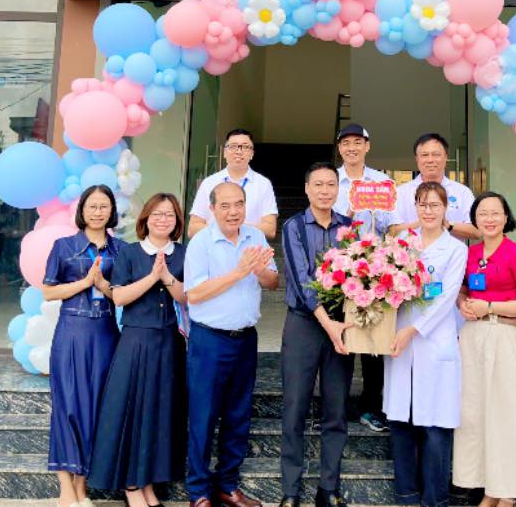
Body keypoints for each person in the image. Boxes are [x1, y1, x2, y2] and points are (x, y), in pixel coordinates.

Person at [88, 193, 189, 507]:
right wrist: (153, 277)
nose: (163, 219)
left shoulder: (183, 254)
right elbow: (119, 297)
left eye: (169, 214)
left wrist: (167, 277)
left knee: (160, 413)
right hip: (136, 342)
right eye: (157, 214)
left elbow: (187, 298)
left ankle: (149, 485)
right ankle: (132, 486)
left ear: (177, 221)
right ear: (146, 218)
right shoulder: (130, 253)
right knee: (134, 412)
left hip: (170, 343)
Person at [183, 181, 280, 507]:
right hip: (210, 340)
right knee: (203, 417)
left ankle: (228, 485)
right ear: (212, 209)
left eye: (239, 204)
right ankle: (198, 491)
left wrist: (260, 270)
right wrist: (239, 272)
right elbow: (194, 294)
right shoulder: (201, 242)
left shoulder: (255, 237)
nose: (233, 211)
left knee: (238, 415)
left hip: (245, 339)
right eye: (225, 205)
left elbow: (273, 281)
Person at [383, 181, 468, 507]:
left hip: (434, 340)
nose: (428, 211)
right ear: (415, 207)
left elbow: (446, 298)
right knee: (400, 421)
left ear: (446, 209)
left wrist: (413, 330)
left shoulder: (456, 249)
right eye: (422, 204)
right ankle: (406, 495)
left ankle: (435, 499)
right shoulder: (402, 244)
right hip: (399, 340)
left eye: (435, 205)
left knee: (435, 426)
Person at [453, 192, 516, 507]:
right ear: (474, 219)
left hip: (503, 335)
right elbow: (463, 290)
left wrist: (489, 306)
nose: (489, 219)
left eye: (495, 213)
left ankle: (508, 494)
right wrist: (463, 303)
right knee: (475, 415)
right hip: (473, 338)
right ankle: (488, 489)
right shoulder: (471, 253)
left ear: (506, 218)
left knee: (507, 414)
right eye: (483, 213)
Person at [279, 162, 356, 507]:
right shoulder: (293, 226)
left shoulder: (350, 228)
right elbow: (301, 280)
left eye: (331, 184)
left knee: (336, 409)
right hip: (304, 325)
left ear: (338, 189)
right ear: (307, 189)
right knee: (295, 406)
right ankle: (290, 491)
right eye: (318, 185)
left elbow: (359, 275)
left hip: (342, 325)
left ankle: (329, 489)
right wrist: (329, 325)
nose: (325, 191)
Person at [42, 185, 122, 507]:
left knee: (96, 409)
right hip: (72, 332)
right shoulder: (64, 246)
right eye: (92, 206)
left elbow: (124, 294)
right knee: (68, 407)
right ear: (82, 210)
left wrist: (104, 285)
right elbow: (49, 292)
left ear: (112, 211)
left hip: (105, 333)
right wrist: (86, 283)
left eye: (104, 206)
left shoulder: (121, 250)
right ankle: (66, 488)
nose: (98, 212)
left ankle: (82, 486)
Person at [332, 123, 392, 433]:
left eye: (358, 142)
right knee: (340, 337)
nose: (352, 148)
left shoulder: (382, 182)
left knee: (372, 341)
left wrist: (373, 212)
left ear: (367, 146)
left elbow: (392, 226)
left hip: (374, 270)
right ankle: (337, 407)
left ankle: (371, 406)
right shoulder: (330, 181)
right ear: (339, 148)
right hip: (338, 269)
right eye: (346, 143)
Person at [187, 128, 279, 239]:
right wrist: (224, 231)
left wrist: (237, 230)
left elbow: (270, 229)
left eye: (245, 147)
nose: (239, 151)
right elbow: (193, 228)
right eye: (233, 146)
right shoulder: (209, 183)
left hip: (249, 247)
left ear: (252, 154)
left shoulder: (263, 184)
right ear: (224, 152)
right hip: (214, 247)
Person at [390, 133, 479, 241]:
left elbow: (476, 231)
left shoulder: (462, 192)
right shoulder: (400, 193)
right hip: (412, 252)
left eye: (436, 155)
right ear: (417, 159)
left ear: (446, 157)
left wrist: (447, 224)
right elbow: (391, 231)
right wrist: (422, 222)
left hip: (451, 252)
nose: (430, 160)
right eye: (425, 155)